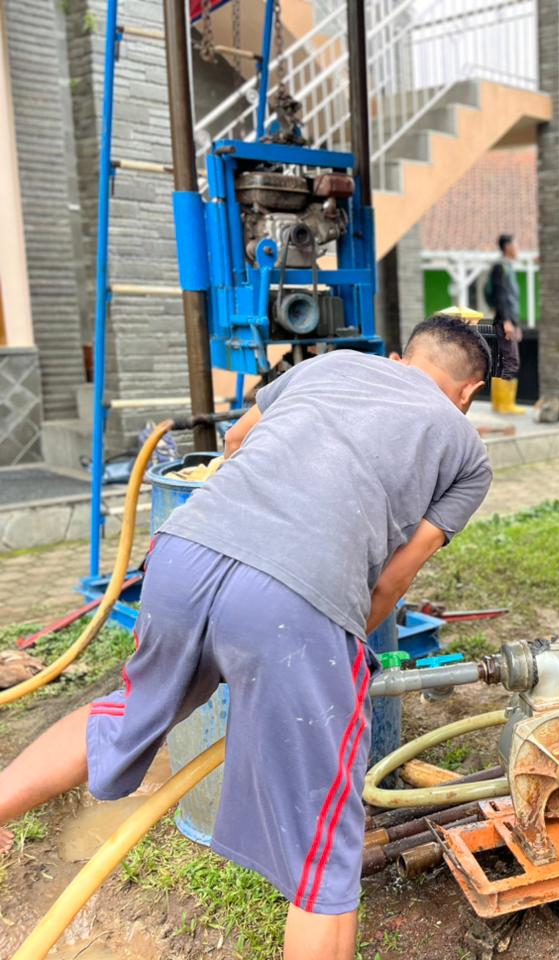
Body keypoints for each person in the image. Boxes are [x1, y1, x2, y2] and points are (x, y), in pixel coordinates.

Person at [0, 316, 494, 959]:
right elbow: (393, 580)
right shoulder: (467, 452)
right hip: (298, 595)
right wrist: (329, 647)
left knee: (125, 713)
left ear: (401, 358)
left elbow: (236, 438)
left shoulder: (333, 363)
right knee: (324, 841)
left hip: (184, 553)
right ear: (468, 392)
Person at [485, 233, 524, 415]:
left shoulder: (506, 266)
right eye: (516, 244)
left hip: (506, 319)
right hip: (504, 320)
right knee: (511, 361)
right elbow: (501, 295)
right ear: (508, 247)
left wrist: (516, 324)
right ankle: (505, 404)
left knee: (505, 359)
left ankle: (500, 404)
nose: (518, 248)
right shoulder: (501, 267)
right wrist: (507, 321)